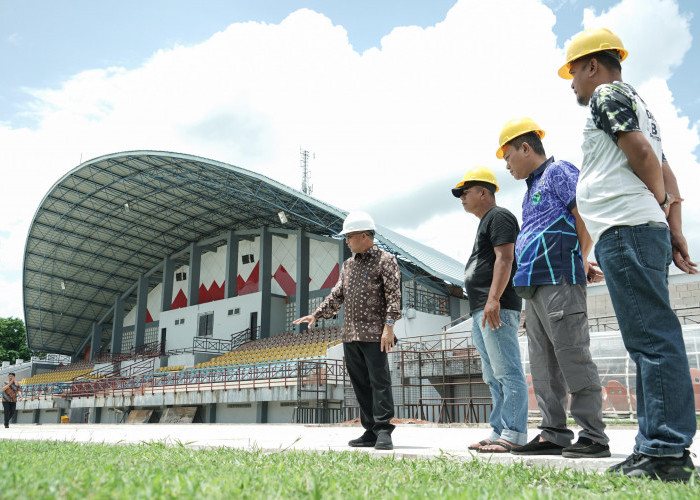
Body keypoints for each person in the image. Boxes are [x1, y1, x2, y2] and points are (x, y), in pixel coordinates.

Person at [559, 27, 697, 481]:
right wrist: (673, 227)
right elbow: (665, 169)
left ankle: (665, 451)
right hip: (639, 229)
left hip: (627, 229)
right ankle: (654, 446)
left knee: (652, 339)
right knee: (649, 338)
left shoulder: (607, 95)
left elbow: (642, 156)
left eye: (574, 73)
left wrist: (655, 206)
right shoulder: (638, 106)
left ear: (592, 66)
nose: (573, 84)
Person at [496, 117, 610, 459]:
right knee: (543, 364)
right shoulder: (530, 188)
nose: (507, 165)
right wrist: (583, 257)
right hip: (534, 286)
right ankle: (554, 432)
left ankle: (593, 435)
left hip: (559, 279)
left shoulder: (559, 172)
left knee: (573, 355)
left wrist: (580, 257)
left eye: (508, 156)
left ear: (525, 147)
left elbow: (584, 216)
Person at [293, 211, 401, 451]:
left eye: (350, 236)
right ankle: (370, 431)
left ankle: (384, 430)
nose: (347, 241)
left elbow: (394, 296)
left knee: (379, 382)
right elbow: (337, 295)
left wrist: (389, 327)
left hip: (375, 334)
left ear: (365, 236)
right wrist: (317, 314)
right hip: (350, 335)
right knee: (360, 384)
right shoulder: (348, 265)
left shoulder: (386, 260)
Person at [452, 167, 529, 454]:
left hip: (496, 306)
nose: (461, 198)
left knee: (507, 371)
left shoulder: (499, 217)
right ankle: (498, 430)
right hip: (481, 308)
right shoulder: (485, 222)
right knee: (492, 374)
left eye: (465, 192)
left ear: (483, 192)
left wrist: (494, 298)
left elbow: (505, 258)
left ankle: (513, 434)